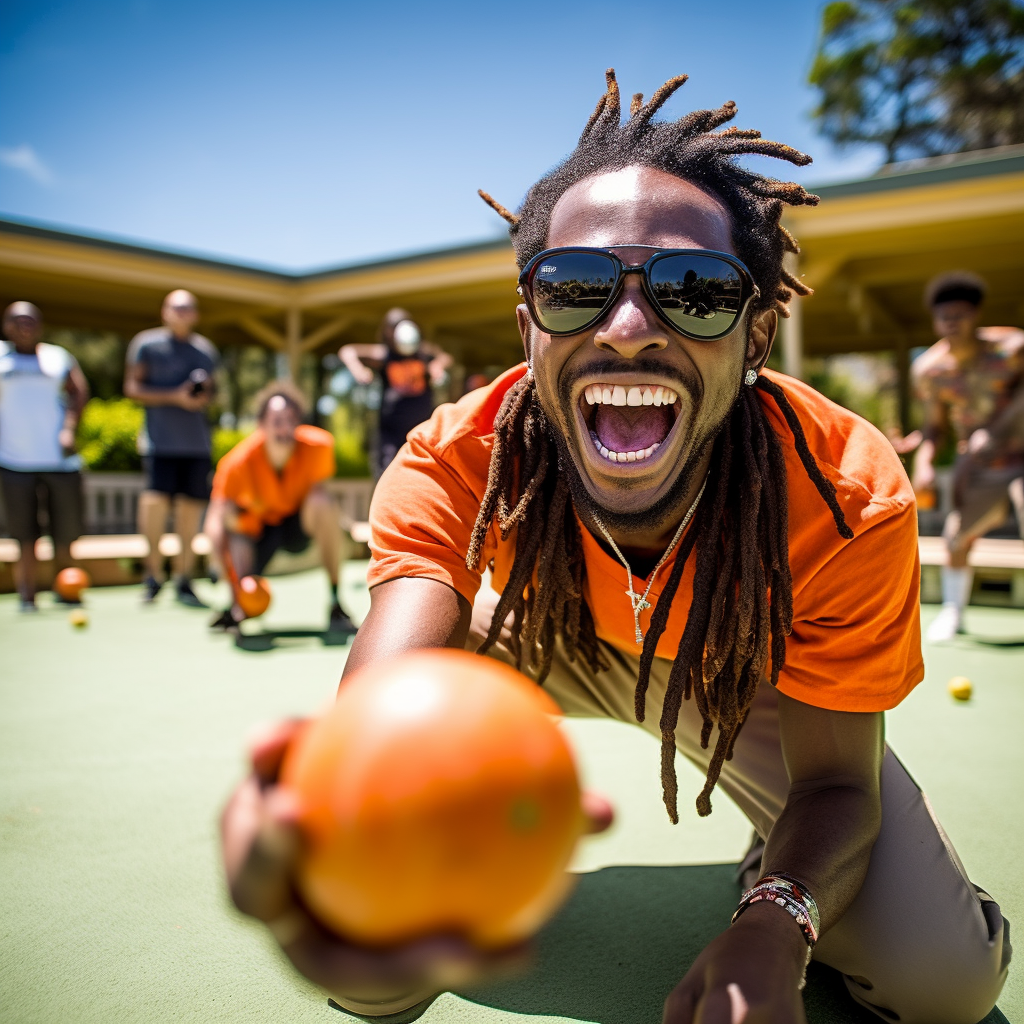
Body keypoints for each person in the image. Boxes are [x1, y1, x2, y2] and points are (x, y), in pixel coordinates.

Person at [220, 73, 1009, 1024]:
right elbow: (377, 722)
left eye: (697, 291)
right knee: (367, 972)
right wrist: (339, 837)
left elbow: (839, 779)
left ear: (757, 333)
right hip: (535, 642)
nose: (629, 329)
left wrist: (775, 923)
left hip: (745, 674)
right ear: (529, 326)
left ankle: (778, 864)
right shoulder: (452, 460)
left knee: (944, 986)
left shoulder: (845, 494)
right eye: (577, 287)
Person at [909, 272, 1024, 642]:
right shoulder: (930, 371)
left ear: (976, 315)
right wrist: (924, 466)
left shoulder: (1013, 349)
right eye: (945, 316)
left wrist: (997, 430)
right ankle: (953, 613)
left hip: (1020, 456)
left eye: (961, 314)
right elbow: (934, 430)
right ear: (935, 319)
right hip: (977, 467)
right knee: (957, 537)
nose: (952, 323)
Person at [205, 380, 355, 633]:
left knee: (323, 502)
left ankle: (335, 602)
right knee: (228, 520)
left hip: (297, 530)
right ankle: (237, 605)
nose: (285, 428)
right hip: (258, 535)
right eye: (277, 421)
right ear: (261, 425)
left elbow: (321, 504)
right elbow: (216, 520)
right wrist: (219, 565)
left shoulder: (319, 446)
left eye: (291, 420)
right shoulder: (236, 464)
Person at [124, 289, 218, 607]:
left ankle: (184, 578)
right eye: (176, 308)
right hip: (159, 443)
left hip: (196, 445)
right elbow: (132, 388)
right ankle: (153, 576)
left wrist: (199, 397)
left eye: (188, 308)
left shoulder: (205, 350)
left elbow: (212, 393)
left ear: (196, 314)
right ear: (165, 311)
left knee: (191, 512)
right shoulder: (146, 344)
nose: (182, 313)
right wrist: (175, 396)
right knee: (155, 506)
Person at [0, 302, 89, 612]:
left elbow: (79, 391)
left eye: (31, 320)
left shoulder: (57, 357)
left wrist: (69, 428)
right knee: (24, 534)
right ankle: (27, 597)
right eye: (17, 320)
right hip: (13, 461)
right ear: (6, 325)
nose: (25, 326)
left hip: (59, 461)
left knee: (64, 532)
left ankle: (66, 590)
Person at [339, 308, 452, 477]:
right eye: (391, 328)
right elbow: (347, 351)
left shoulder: (422, 353)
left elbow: (445, 357)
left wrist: (437, 367)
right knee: (388, 474)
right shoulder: (385, 355)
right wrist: (358, 370)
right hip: (391, 434)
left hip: (422, 430)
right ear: (386, 332)